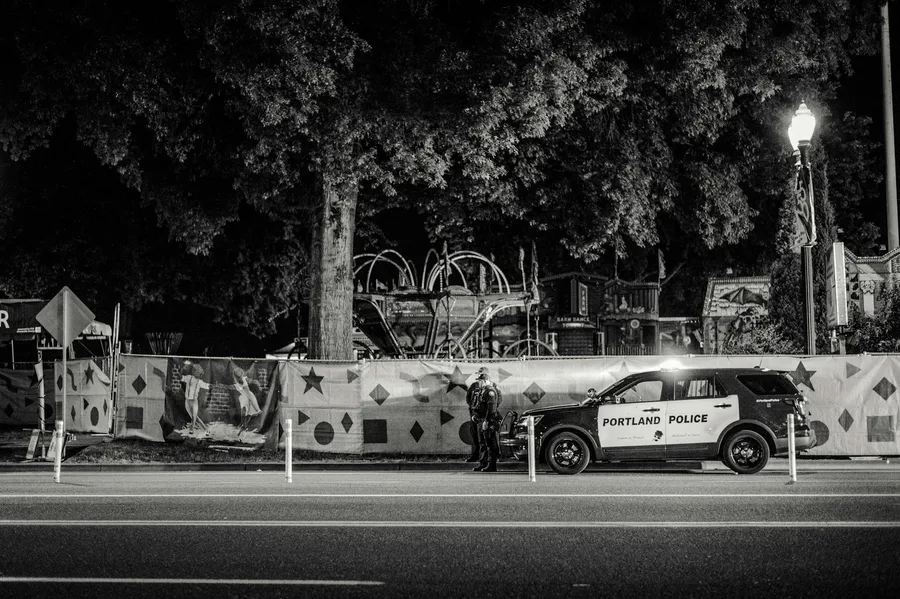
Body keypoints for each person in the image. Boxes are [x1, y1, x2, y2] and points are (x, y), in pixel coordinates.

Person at [470, 367, 502, 473]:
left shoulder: (490, 392)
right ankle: (483, 463)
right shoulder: (482, 391)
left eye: (480, 380)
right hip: (481, 420)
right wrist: (476, 415)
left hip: (487, 421)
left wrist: (487, 421)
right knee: (482, 443)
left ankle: (491, 465)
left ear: (485, 380)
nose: (478, 383)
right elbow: (478, 405)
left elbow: (491, 408)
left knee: (490, 443)